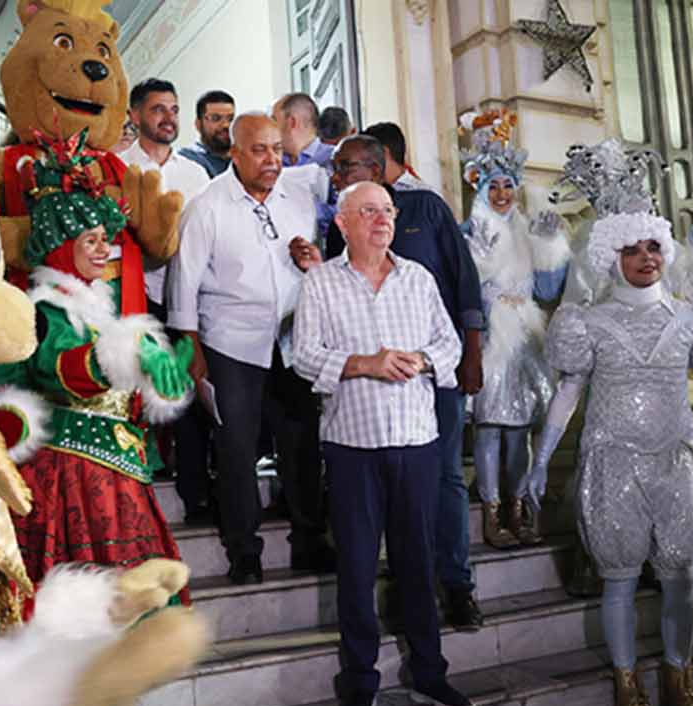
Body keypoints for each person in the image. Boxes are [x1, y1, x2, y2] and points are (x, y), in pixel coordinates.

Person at [0, 140, 200, 706]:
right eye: (92, 241)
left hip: (118, 478)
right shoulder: (46, 312)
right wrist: (121, 358)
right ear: (59, 251)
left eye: (109, 238)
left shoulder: (105, 313)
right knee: (76, 612)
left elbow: (127, 389)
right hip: (70, 482)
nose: (107, 249)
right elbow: (55, 370)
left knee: (121, 610)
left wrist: (161, 379)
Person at [526, 140, 693, 706]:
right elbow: (568, 392)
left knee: (681, 578)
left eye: (654, 245)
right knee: (620, 579)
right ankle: (630, 694)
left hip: (675, 461)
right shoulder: (586, 323)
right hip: (612, 462)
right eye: (632, 247)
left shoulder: (690, 318)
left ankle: (681, 685)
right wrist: (541, 461)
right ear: (609, 256)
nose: (646, 256)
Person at [290, 179, 476, 706]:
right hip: (352, 445)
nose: (382, 220)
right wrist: (364, 364)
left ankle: (429, 670)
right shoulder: (322, 282)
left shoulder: (418, 279)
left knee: (418, 563)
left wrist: (419, 360)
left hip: (417, 441)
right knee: (355, 567)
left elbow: (450, 344)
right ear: (342, 223)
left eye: (388, 211)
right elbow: (303, 356)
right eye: (368, 211)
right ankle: (360, 682)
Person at [313, 136, 485, 628]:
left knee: (448, 478)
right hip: (368, 399)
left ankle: (456, 585)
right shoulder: (342, 222)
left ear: (376, 167)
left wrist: (470, 351)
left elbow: (463, 278)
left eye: (345, 167)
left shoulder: (426, 207)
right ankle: (409, 589)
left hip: (436, 371)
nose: (336, 175)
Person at [165, 112, 334, 584]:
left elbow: (310, 268)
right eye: (260, 149)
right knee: (237, 449)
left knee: (301, 444)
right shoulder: (208, 207)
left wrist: (308, 264)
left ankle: (309, 540)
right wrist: (193, 352)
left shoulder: (298, 201)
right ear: (235, 154)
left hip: (290, 341)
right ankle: (244, 550)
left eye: (278, 149)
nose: (272, 159)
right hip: (230, 343)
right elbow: (184, 286)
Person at [458, 111, 570, 550]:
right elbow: (461, 293)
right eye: (493, 186)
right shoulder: (467, 233)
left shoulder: (528, 229)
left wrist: (548, 248)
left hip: (524, 339)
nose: (503, 194)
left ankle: (519, 506)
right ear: (479, 187)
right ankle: (490, 510)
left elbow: (547, 289)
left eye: (508, 184)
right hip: (488, 341)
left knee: (519, 430)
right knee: (489, 429)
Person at [118, 77, 214, 522]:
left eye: (173, 109)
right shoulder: (116, 165)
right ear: (135, 116)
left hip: (188, 298)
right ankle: (132, 487)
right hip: (137, 295)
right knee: (135, 388)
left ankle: (196, 494)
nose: (168, 117)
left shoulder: (195, 173)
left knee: (189, 396)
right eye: (158, 109)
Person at [273, 91, 339, 242]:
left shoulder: (334, 159)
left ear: (291, 122)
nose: (270, 128)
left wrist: (306, 208)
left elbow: (347, 208)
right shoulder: (274, 163)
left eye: (274, 120)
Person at [178, 90, 234, 178]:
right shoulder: (188, 158)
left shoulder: (242, 156)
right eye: (216, 118)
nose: (226, 125)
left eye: (230, 118)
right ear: (198, 124)